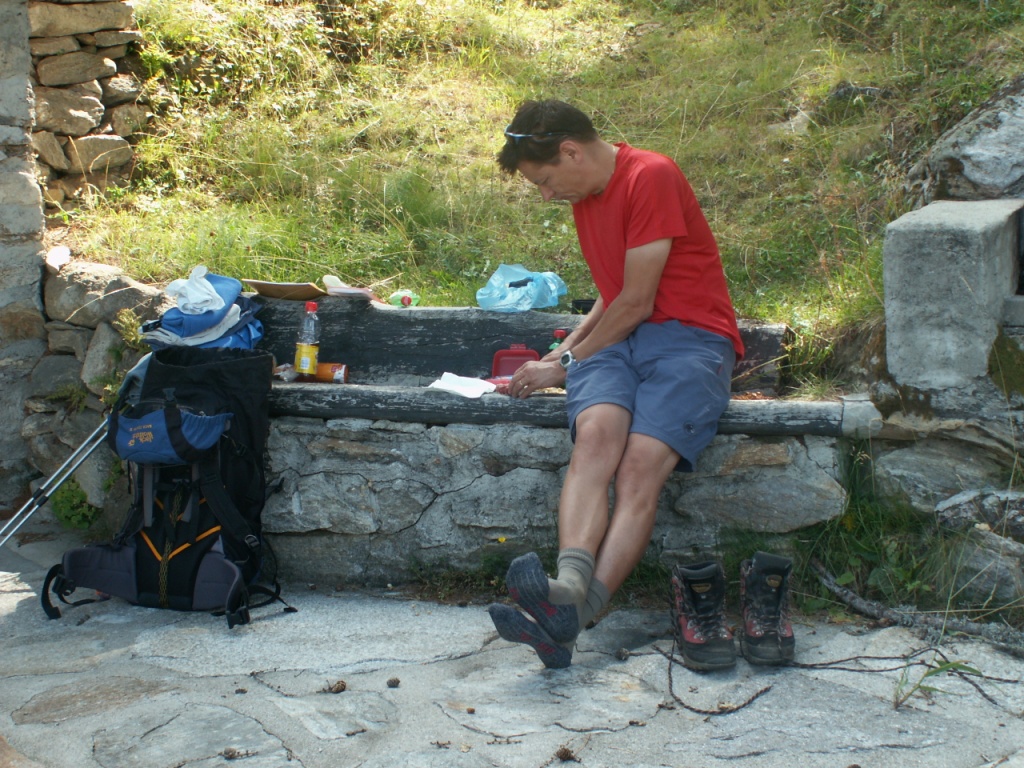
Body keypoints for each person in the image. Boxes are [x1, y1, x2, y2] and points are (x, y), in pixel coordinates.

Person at [486, 99, 745, 669]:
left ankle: (574, 617)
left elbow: (638, 301)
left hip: (690, 340)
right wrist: (560, 353)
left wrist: (566, 365)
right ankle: (569, 592)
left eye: (545, 180)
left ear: (571, 151)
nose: (547, 196)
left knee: (638, 467)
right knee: (596, 437)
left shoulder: (651, 174)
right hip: (619, 340)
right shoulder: (586, 195)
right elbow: (613, 294)